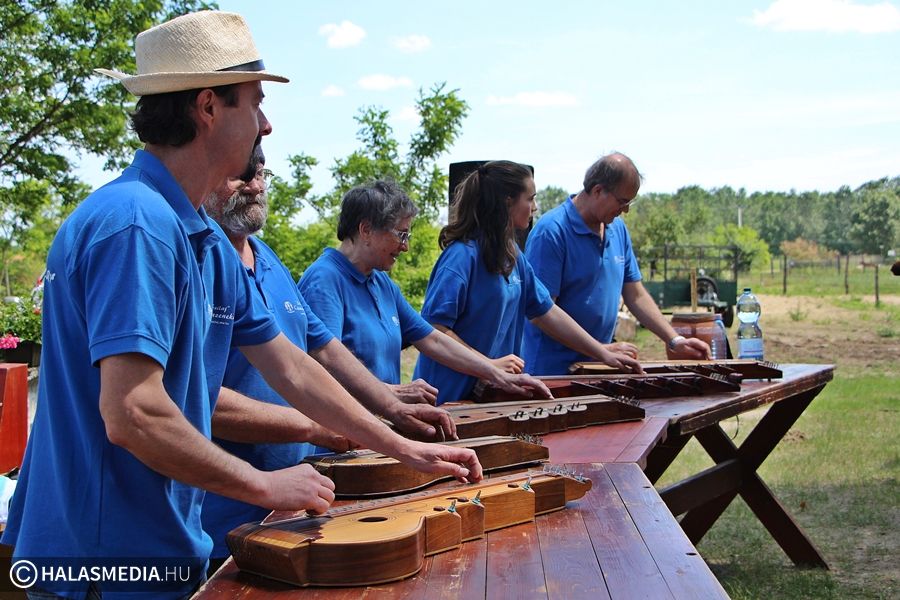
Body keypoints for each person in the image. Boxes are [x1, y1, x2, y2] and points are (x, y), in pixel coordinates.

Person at [2, 12, 480, 600]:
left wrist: (404, 447)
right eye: (255, 104)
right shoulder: (137, 225)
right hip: (103, 563)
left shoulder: (202, 237)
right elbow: (132, 413)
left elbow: (293, 365)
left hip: (157, 549)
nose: (266, 124)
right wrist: (263, 485)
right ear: (208, 107)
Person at [202, 151, 477, 568]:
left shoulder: (268, 259)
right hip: (225, 508)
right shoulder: (202, 261)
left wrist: (393, 412)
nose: (255, 186)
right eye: (240, 175)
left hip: (295, 495)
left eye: (260, 173)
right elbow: (194, 397)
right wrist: (323, 426)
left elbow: (320, 350)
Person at [299, 180, 552, 406]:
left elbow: (431, 339)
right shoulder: (324, 281)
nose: (406, 247)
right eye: (401, 235)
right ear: (365, 230)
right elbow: (324, 366)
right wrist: (391, 392)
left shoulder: (380, 282)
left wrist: (496, 373)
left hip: (379, 426)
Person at [413, 160, 642, 404]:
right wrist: (489, 365)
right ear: (507, 202)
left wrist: (601, 351)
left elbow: (546, 311)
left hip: (488, 397)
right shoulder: (461, 257)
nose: (535, 207)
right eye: (530, 199)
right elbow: (434, 329)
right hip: (445, 399)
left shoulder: (512, 255)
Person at [522, 153, 711, 375]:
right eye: (622, 202)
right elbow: (543, 313)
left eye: (630, 202)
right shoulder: (551, 232)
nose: (626, 210)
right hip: (552, 374)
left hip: (598, 366)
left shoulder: (617, 229)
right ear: (598, 191)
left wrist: (675, 340)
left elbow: (635, 295)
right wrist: (600, 349)